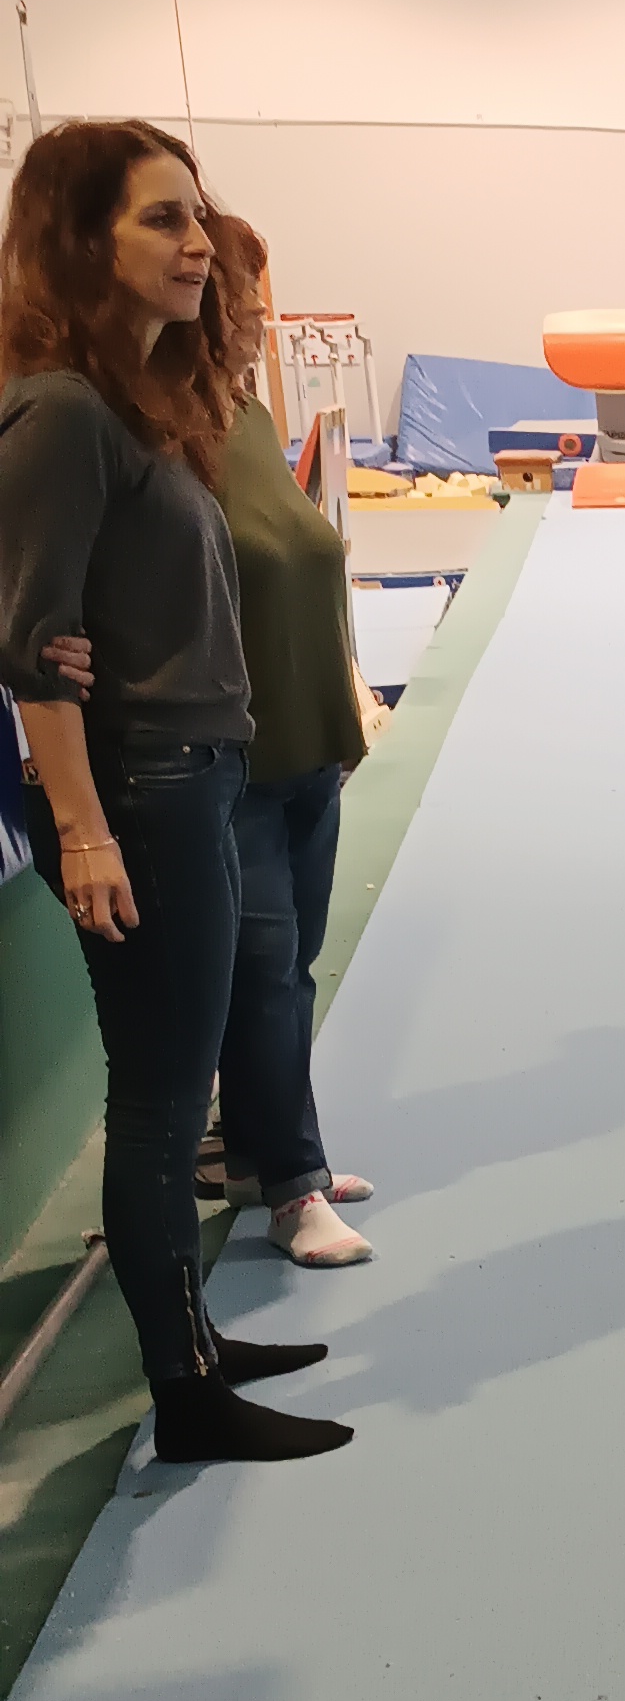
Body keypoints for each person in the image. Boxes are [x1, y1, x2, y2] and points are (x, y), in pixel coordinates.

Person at [0, 120, 350, 1462]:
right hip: (141, 795)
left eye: (198, 216)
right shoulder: (61, 411)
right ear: (81, 240)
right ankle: (188, 1396)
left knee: (175, 1081)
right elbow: (32, 644)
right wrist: (84, 828)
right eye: (163, 218)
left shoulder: (141, 405)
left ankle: (194, 1343)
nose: (198, 243)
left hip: (192, 774)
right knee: (157, 1106)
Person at [51, 208, 378, 1264]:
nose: (256, 322)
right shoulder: (143, 428)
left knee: (291, 966)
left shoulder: (244, 414)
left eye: (259, 302)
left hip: (306, 738)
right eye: (242, 302)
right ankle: (293, 1186)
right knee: (266, 972)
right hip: (223, 755)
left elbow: (294, 559)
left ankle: (258, 1151)